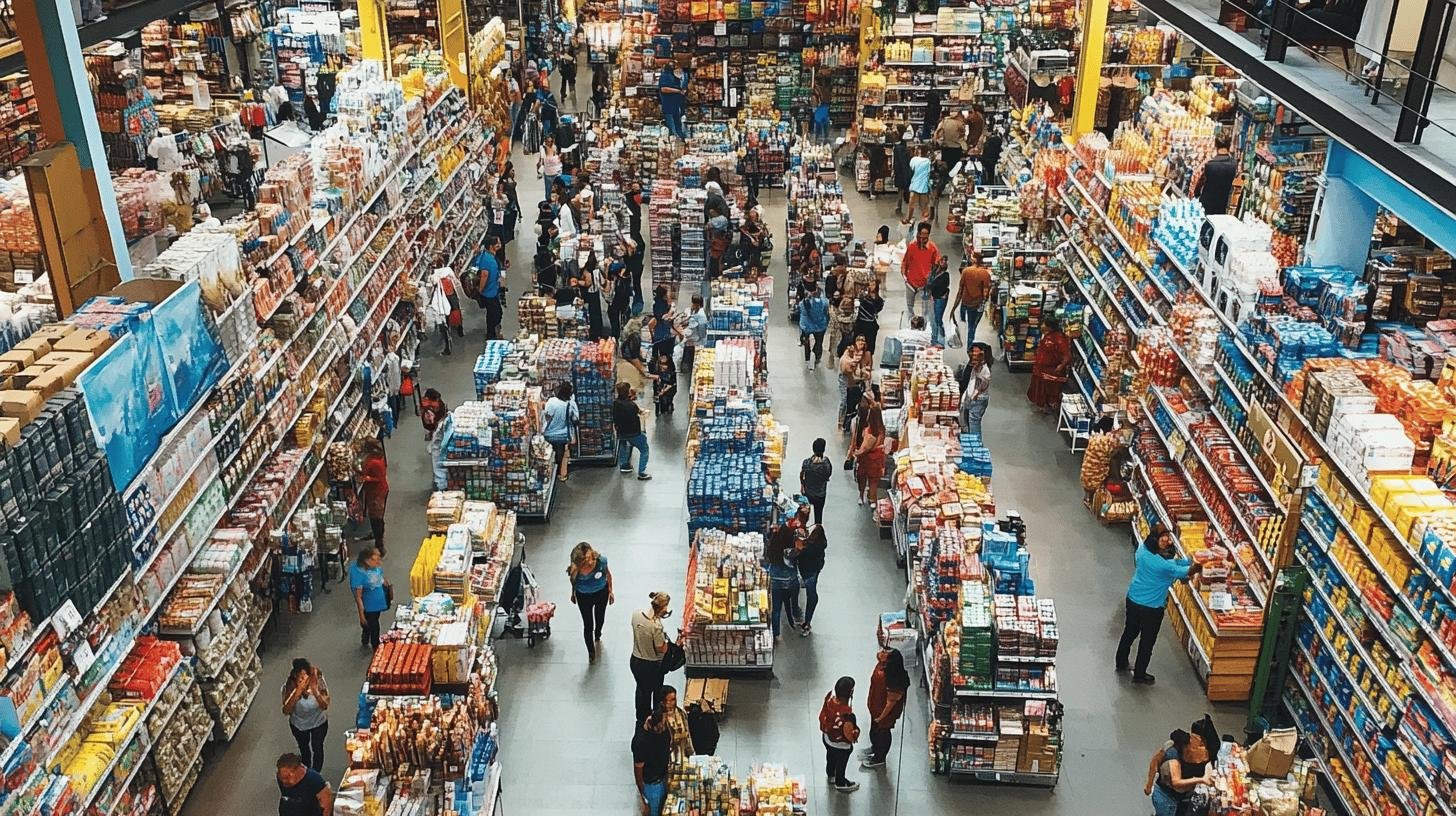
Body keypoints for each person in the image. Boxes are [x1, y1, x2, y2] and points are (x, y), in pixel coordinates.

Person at [1118, 529, 1202, 684]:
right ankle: (1139, 674)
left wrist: (1186, 560)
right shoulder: (1164, 567)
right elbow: (1183, 572)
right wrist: (1198, 565)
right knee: (1147, 642)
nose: (1167, 541)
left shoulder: (1143, 549)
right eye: (1163, 538)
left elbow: (1173, 562)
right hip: (1151, 608)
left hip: (1134, 599)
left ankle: (1121, 662)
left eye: (1167, 537)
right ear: (1155, 540)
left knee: (1129, 632)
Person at [1146, 729, 1214, 816]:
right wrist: (1202, 780)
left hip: (1177, 797)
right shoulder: (1174, 755)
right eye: (1199, 746)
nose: (1202, 748)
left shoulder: (1198, 753)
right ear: (1187, 747)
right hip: (1167, 799)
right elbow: (1176, 782)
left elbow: (1154, 762)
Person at [861, 647, 910, 768]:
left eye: (885, 653)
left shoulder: (893, 678)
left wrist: (881, 717)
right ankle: (875, 747)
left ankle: (879, 758)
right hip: (875, 707)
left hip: (884, 713)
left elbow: (891, 703)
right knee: (874, 731)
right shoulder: (882, 666)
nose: (881, 652)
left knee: (882, 733)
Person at [630, 592, 672, 726]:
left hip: (635, 659)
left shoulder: (636, 614)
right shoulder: (656, 626)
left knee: (641, 689)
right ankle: (655, 717)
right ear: (663, 608)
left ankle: (641, 716)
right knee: (656, 690)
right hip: (651, 664)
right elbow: (661, 648)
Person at [281, 659, 330, 772]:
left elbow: (325, 705)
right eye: (300, 678)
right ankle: (306, 771)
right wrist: (297, 692)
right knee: (304, 748)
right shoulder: (288, 688)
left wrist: (315, 691)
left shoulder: (318, 682)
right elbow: (286, 710)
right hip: (299, 725)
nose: (303, 680)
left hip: (319, 722)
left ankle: (316, 772)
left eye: (305, 677)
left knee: (317, 747)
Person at [567, 542, 614, 660]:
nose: (589, 562)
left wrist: (610, 590)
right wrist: (573, 593)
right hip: (583, 597)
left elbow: (608, 575)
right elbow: (573, 581)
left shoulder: (601, 561)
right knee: (588, 625)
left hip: (601, 594)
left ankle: (598, 633)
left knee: (600, 618)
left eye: (589, 558)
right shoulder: (575, 569)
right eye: (585, 561)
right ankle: (591, 652)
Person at [818, 677, 859, 792]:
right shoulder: (848, 715)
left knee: (830, 756)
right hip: (841, 746)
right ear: (850, 692)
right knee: (841, 762)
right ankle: (840, 782)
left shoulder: (829, 701)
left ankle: (831, 774)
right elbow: (849, 734)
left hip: (827, 738)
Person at [632, 705, 672, 816]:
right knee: (654, 811)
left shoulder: (664, 731)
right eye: (663, 724)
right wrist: (642, 795)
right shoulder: (641, 742)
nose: (664, 726)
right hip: (652, 785)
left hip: (663, 777)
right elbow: (638, 770)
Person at [1027, 316, 1072, 414]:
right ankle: (1043, 404)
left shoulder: (1059, 339)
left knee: (1049, 389)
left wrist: (1061, 366)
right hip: (1041, 368)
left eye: (1044, 324)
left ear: (1050, 327)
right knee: (1040, 388)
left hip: (1051, 370)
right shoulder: (1045, 336)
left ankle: (1049, 405)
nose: (1041, 325)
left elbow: (1067, 355)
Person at [763, 526, 802, 640]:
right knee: (790, 602)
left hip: (775, 579)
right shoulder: (791, 549)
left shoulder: (773, 546)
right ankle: (794, 620)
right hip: (790, 580)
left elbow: (768, 557)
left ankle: (776, 634)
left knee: (776, 608)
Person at [349, 547, 390, 650]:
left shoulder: (375, 567)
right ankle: (376, 648)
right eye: (375, 560)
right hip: (369, 607)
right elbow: (358, 597)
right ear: (367, 560)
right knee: (374, 626)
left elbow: (380, 576)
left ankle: (365, 635)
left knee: (372, 622)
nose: (379, 562)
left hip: (378, 603)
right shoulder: (358, 574)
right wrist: (361, 615)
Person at [900, 221, 941, 320]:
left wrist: (932, 281)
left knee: (925, 312)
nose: (922, 239)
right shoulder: (912, 247)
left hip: (925, 286)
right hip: (911, 283)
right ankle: (911, 330)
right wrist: (905, 278)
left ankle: (923, 331)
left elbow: (938, 266)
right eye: (920, 236)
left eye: (925, 237)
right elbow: (905, 263)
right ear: (917, 234)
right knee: (910, 308)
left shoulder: (933, 249)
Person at [612, 381, 652, 478]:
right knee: (644, 449)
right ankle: (642, 472)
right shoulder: (632, 405)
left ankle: (624, 466)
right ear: (628, 392)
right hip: (634, 432)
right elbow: (639, 412)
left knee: (624, 446)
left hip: (621, 432)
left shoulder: (616, 403)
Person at [543, 380, 580, 482]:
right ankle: (561, 473)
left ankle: (549, 475)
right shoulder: (570, 404)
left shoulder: (551, 402)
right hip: (563, 435)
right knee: (560, 455)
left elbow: (547, 416)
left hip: (549, 434)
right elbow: (576, 419)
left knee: (547, 455)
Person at [794, 523, 827, 635]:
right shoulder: (820, 545)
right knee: (811, 591)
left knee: (810, 594)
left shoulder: (811, 549)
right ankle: (806, 621)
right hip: (814, 572)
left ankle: (807, 623)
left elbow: (799, 555)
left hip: (808, 573)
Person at [1194, 130, 1237, 216]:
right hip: (1222, 205)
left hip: (1206, 204)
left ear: (1215, 146)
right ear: (1229, 146)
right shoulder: (1234, 165)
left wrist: (1196, 194)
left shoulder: (1209, 165)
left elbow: (1199, 185)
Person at [952, 253, 993, 342]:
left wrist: (954, 308)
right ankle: (969, 345)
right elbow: (986, 293)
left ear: (973, 260)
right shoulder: (985, 274)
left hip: (965, 302)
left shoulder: (966, 271)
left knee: (962, 323)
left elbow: (960, 290)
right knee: (972, 326)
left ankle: (961, 340)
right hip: (977, 304)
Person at [358, 439, 389, 556]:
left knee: (376, 519)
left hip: (377, 493)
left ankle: (379, 545)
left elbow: (379, 478)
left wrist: (367, 478)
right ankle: (378, 537)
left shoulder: (374, 462)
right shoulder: (379, 458)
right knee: (377, 517)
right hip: (379, 491)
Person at [852, 405, 887, 507]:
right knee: (873, 482)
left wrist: (856, 453)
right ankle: (872, 500)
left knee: (862, 479)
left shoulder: (869, 431)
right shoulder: (882, 430)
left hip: (865, 459)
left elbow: (865, 448)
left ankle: (861, 496)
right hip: (877, 460)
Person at [838, 335, 872, 432]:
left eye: (863, 341)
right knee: (844, 401)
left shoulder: (866, 355)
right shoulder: (846, 359)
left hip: (856, 383)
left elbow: (866, 372)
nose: (861, 343)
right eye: (859, 341)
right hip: (848, 382)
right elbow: (848, 370)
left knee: (856, 402)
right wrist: (862, 372)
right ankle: (841, 423)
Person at [474, 236, 505, 340]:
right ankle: (492, 335)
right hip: (488, 293)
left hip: (492, 290)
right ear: (491, 246)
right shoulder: (487, 260)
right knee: (496, 313)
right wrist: (481, 290)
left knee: (491, 313)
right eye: (498, 244)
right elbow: (484, 275)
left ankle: (490, 332)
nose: (499, 245)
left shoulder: (489, 256)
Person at [959, 342, 993, 435]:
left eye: (975, 352)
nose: (972, 354)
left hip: (978, 400)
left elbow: (984, 383)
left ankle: (976, 445)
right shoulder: (976, 365)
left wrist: (975, 394)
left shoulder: (984, 368)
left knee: (974, 425)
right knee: (969, 423)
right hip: (973, 399)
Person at [799, 438, 833, 525]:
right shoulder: (826, 463)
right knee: (818, 517)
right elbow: (828, 475)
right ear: (823, 449)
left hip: (808, 493)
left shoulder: (806, 462)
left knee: (805, 514)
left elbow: (802, 476)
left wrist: (802, 487)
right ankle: (817, 533)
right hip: (820, 495)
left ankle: (803, 530)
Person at [798, 280, 830, 371]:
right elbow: (826, 312)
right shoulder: (824, 302)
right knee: (819, 342)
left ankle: (807, 360)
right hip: (820, 326)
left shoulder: (803, 303)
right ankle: (817, 357)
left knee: (807, 343)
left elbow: (801, 311)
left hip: (807, 326)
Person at [658, 685, 695, 759]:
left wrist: (691, 753)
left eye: (673, 699)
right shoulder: (658, 716)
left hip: (683, 755)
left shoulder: (681, 713)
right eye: (667, 700)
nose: (670, 703)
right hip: (667, 757)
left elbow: (687, 735)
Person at [658, 59, 689, 138]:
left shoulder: (675, 76)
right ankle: (675, 142)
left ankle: (680, 140)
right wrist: (678, 91)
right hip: (668, 105)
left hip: (676, 106)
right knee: (673, 129)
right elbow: (663, 89)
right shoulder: (665, 76)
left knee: (678, 128)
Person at [926, 251, 951, 345]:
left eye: (945, 261)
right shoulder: (934, 271)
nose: (943, 263)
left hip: (940, 299)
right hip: (934, 298)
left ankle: (938, 339)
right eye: (942, 261)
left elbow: (942, 286)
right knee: (933, 319)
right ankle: (937, 337)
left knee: (937, 319)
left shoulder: (945, 275)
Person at [852, 280, 884, 354]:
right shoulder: (863, 297)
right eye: (870, 284)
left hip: (870, 326)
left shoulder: (879, 300)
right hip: (860, 324)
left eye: (873, 284)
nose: (871, 286)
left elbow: (876, 310)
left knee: (869, 350)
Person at [648, 286, 678, 362]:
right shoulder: (661, 304)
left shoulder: (658, 302)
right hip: (663, 333)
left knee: (657, 350)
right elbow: (664, 317)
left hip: (660, 331)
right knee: (664, 354)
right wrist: (671, 310)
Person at [933, 110, 966, 175]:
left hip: (946, 147)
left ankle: (945, 180)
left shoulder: (943, 122)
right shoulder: (959, 123)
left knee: (945, 167)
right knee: (955, 168)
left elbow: (937, 134)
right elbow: (962, 135)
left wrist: (938, 142)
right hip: (956, 148)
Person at [905, 146, 933, 225]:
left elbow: (911, 168)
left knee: (911, 204)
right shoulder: (928, 161)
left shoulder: (913, 160)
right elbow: (929, 172)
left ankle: (908, 218)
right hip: (924, 186)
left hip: (915, 184)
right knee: (924, 205)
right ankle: (925, 220)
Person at [683, 294, 708, 374]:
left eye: (693, 303)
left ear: (697, 304)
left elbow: (702, 335)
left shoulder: (701, 316)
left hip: (694, 345)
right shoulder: (694, 311)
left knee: (691, 367)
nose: (692, 305)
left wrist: (694, 343)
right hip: (689, 342)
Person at [892, 133, 912, 217]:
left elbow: (896, 163)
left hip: (899, 173)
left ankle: (898, 207)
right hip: (907, 173)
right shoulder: (908, 151)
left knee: (900, 191)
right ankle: (908, 207)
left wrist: (894, 172)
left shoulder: (897, 149)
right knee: (907, 190)